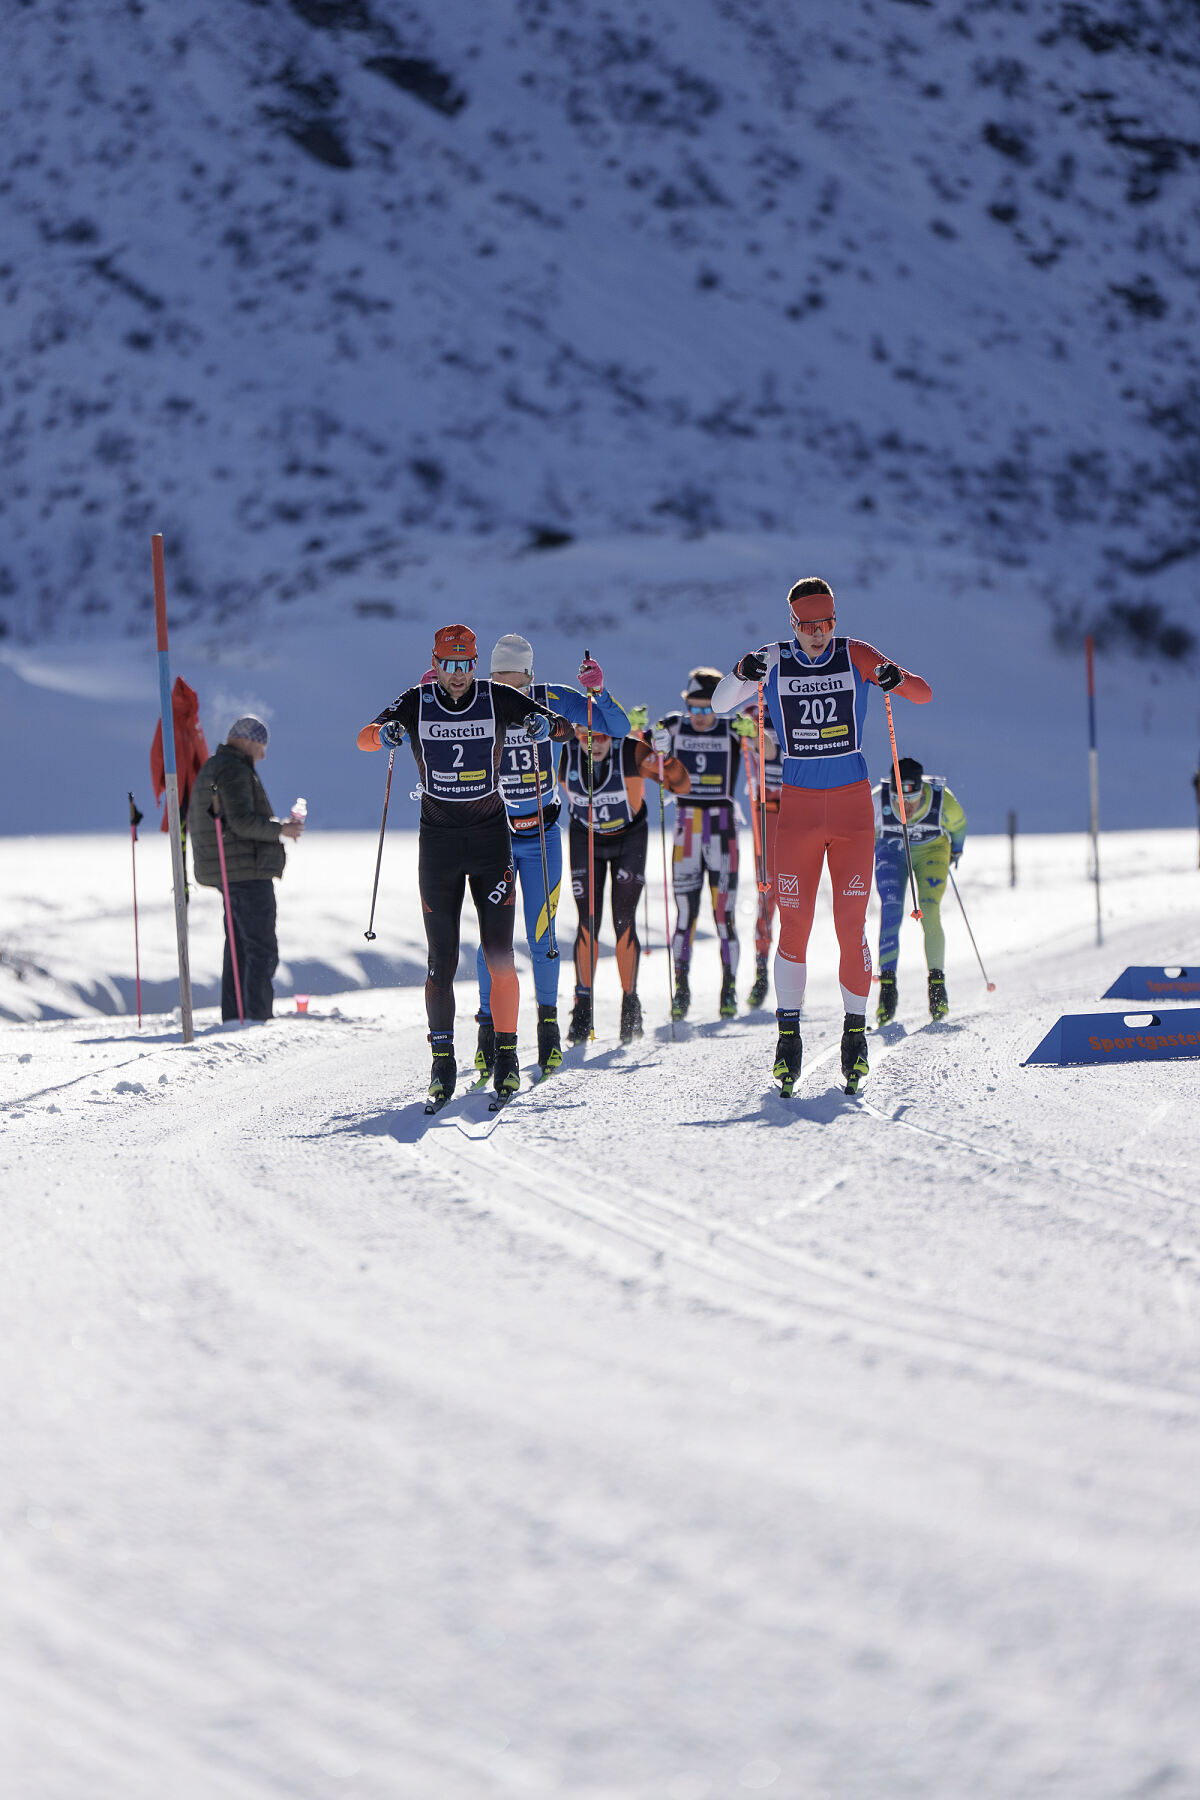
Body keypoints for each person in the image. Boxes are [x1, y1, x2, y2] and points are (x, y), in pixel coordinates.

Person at [713, 578, 931, 1095]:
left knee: (850, 923)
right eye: (809, 625)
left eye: (827, 623)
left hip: (853, 810)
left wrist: (892, 675)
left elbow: (922, 693)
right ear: (793, 623)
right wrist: (743, 671)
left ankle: (854, 1036)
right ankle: (788, 1040)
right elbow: (723, 703)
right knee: (795, 926)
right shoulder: (775, 658)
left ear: (836, 620)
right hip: (800, 811)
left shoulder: (856, 654)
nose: (818, 634)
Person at [357, 623, 573, 1108]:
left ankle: (508, 1056)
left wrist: (545, 726)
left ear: (475, 664)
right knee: (442, 961)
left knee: (500, 954)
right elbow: (364, 740)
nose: (456, 675)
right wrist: (385, 732)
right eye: (447, 665)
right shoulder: (416, 700)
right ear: (435, 663)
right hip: (438, 845)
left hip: (490, 841)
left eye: (464, 665)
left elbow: (559, 727)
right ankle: (442, 1062)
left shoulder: (497, 698)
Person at [476, 633, 631, 1078]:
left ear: (530, 675)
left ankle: (547, 1029)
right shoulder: (479, 701)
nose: (507, 690)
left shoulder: (551, 698)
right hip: (496, 839)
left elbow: (617, 729)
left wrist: (597, 691)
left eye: (516, 681)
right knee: (495, 945)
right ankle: (488, 1031)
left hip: (542, 837)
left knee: (542, 939)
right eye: (498, 679)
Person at [560, 722, 689, 1044]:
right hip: (585, 838)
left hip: (628, 839)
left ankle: (630, 1003)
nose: (595, 743)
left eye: (603, 735)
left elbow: (679, 785)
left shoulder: (631, 751)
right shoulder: (568, 753)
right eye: (585, 735)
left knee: (623, 920)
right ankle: (582, 1006)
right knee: (588, 921)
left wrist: (665, 756)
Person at [188, 715, 305, 1022]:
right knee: (260, 948)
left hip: (232, 870)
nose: (263, 754)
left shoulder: (217, 766)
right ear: (248, 740)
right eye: (261, 745)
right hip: (246, 870)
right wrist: (281, 829)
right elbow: (241, 821)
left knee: (238, 948)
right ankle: (255, 1016)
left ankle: (236, 1016)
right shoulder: (234, 769)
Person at [652, 668, 744, 1021]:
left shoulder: (731, 728)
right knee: (685, 916)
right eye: (695, 709)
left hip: (722, 828)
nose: (701, 717)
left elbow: (766, 747)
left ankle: (729, 988)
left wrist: (756, 735)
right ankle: (681, 989)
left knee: (724, 916)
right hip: (686, 828)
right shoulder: (675, 726)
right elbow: (637, 743)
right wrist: (652, 744)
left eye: (708, 709)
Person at [873, 758, 967, 1024]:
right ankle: (887, 991)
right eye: (900, 800)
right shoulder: (877, 801)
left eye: (913, 798)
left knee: (929, 910)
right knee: (891, 911)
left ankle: (937, 987)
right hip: (892, 851)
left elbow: (958, 826)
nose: (908, 807)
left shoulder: (942, 800)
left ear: (923, 790)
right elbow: (861, 832)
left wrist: (956, 850)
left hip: (932, 850)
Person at [734, 708, 783, 1007]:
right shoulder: (754, 711)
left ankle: (791, 969)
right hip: (768, 812)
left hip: (800, 809)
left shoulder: (795, 703)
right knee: (768, 895)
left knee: (795, 898)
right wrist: (752, 730)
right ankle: (762, 970)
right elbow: (763, 749)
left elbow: (772, 749)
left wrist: (755, 733)